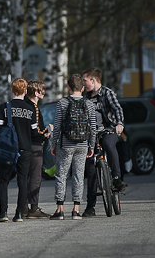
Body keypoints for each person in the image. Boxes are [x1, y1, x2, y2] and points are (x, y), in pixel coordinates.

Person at [49, 74, 97, 220]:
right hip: (82, 145)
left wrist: (53, 144)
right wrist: (92, 146)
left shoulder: (62, 103)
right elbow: (93, 128)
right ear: (82, 88)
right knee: (78, 176)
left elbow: (57, 126)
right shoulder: (89, 104)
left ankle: (60, 210)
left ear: (68, 87)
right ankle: (76, 210)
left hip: (65, 144)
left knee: (61, 175)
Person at [82, 67, 126, 218]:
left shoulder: (107, 93)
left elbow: (117, 109)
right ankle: (90, 206)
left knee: (108, 144)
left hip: (109, 129)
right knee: (90, 166)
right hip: (92, 134)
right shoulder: (86, 97)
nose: (83, 83)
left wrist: (119, 123)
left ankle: (116, 178)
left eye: (85, 80)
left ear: (93, 80)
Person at [0, 78, 34, 223]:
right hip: (25, 148)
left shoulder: (4, 107)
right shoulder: (30, 109)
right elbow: (34, 132)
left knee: (4, 180)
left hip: (8, 150)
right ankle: (19, 214)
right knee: (22, 181)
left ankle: (3, 213)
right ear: (25, 91)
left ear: (12, 90)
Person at [23, 80, 50, 218]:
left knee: (25, 178)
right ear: (35, 92)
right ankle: (34, 209)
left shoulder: (24, 106)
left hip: (23, 146)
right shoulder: (34, 108)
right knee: (35, 177)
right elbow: (36, 130)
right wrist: (46, 133)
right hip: (35, 146)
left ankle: (24, 207)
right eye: (41, 91)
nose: (43, 93)